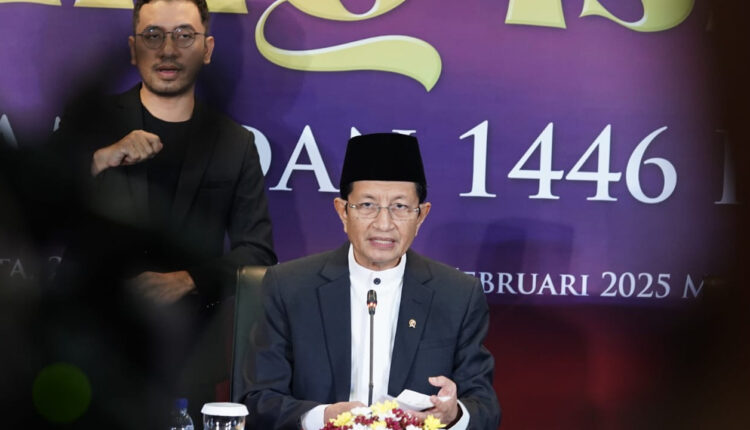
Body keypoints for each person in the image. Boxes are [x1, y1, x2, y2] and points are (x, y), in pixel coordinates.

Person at [52, 0, 276, 416]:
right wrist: (100, 159)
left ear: (207, 49)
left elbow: (257, 252)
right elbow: (41, 213)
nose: (168, 50)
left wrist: (186, 280)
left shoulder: (234, 142)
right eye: (153, 35)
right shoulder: (92, 123)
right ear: (133, 48)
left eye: (184, 35)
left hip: (188, 356)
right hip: (91, 348)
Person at [244, 133, 500, 429]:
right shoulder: (289, 287)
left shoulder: (457, 295)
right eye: (367, 205)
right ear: (342, 211)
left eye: (400, 207)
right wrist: (323, 418)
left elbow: (485, 409)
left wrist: (453, 414)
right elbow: (259, 399)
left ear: (421, 216)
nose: (383, 224)